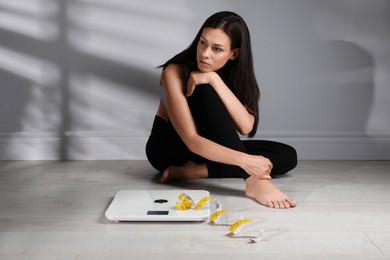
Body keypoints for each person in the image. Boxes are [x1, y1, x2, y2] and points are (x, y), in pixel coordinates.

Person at [145, 11, 297, 209]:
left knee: (285, 155)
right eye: (202, 42)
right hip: (169, 148)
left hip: (208, 150)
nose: (205, 53)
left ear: (234, 54)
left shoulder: (230, 77)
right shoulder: (174, 71)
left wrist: (215, 80)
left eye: (216, 49)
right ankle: (254, 182)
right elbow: (191, 139)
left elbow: (246, 126)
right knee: (202, 88)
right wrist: (246, 164)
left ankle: (196, 171)